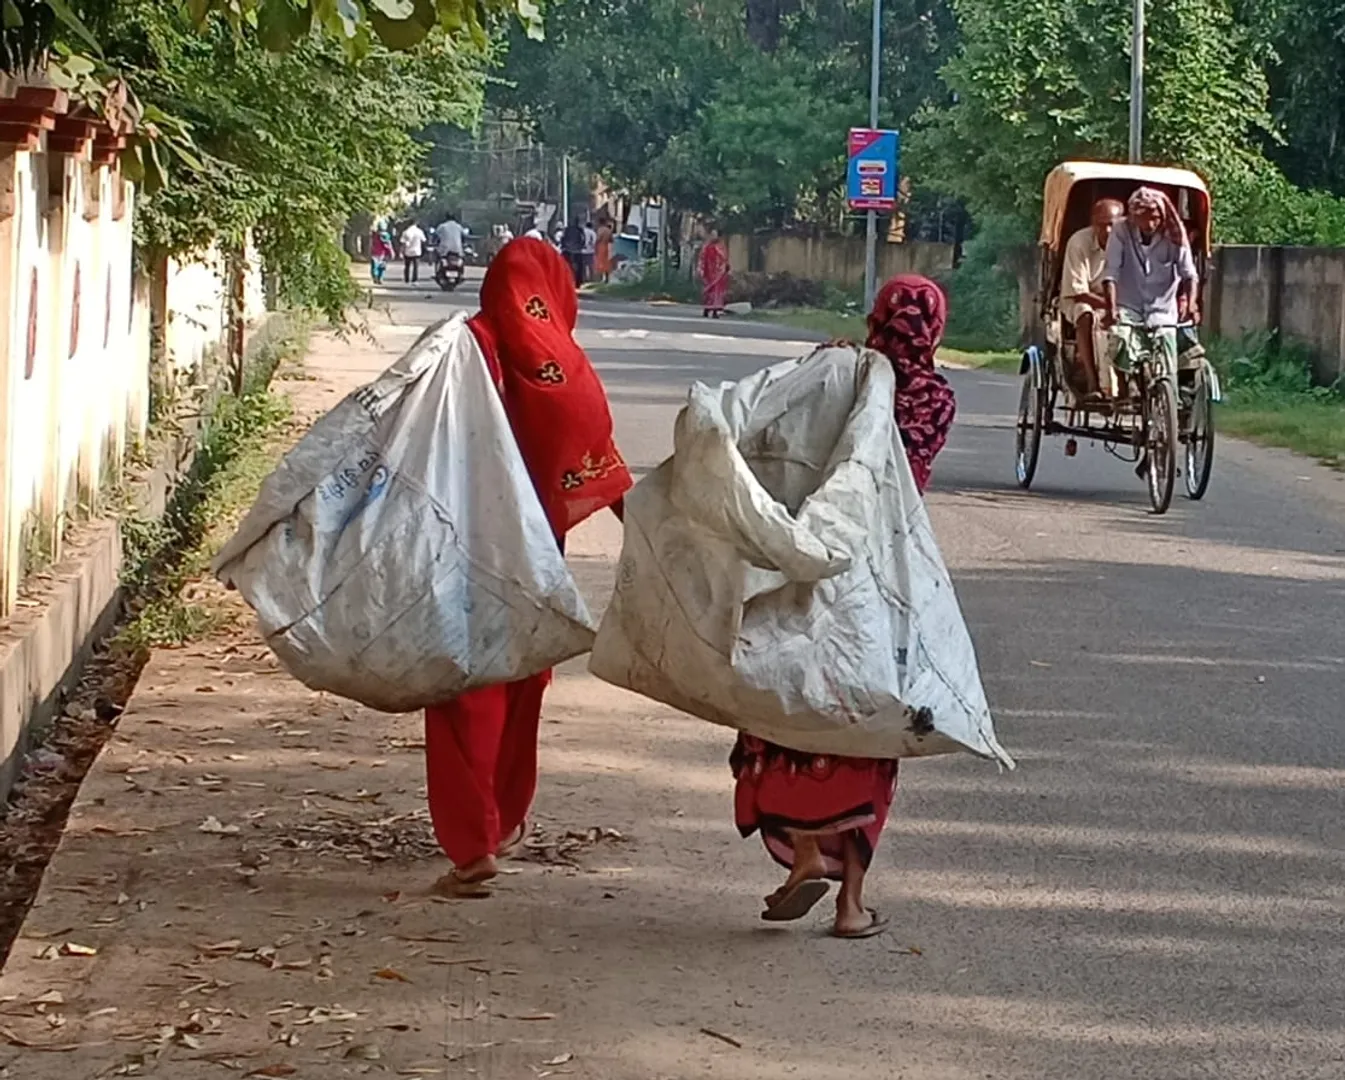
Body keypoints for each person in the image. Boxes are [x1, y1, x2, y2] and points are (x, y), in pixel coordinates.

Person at [731, 274, 956, 939]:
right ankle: (850, 905)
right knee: (868, 725)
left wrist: (829, 362)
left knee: (789, 702)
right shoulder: (933, 398)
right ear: (935, 330)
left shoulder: (841, 374)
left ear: (872, 318)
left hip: (808, 564)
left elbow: (777, 438)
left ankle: (803, 852)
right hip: (883, 577)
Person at [423, 238, 632, 898]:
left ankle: (472, 844)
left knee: (463, 692)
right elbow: (595, 448)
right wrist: (651, 529)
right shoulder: (560, 363)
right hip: (536, 557)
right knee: (520, 685)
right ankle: (506, 820)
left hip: (463, 549)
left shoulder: (460, 349)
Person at [1102, 186, 1200, 379]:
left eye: (1155, 217)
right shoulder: (1121, 230)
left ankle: (1169, 393)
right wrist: (1111, 308)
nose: (1150, 223)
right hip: (1129, 307)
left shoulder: (1174, 234)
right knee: (1119, 340)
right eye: (1144, 218)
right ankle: (1124, 389)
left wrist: (1191, 303)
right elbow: (1111, 273)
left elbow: (1189, 273)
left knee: (1169, 355)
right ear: (1134, 217)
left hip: (1162, 310)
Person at [1061, 198, 1124, 398]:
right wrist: (1110, 306)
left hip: (1115, 301)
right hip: (1081, 299)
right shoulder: (1079, 242)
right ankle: (1092, 382)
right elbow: (1078, 291)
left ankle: (1128, 384)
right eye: (1101, 224)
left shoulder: (1128, 243)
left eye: (1111, 225)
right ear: (1093, 223)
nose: (1106, 231)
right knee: (1085, 313)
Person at [698, 229, 730, 318]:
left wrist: (725, 267)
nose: (713, 236)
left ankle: (715, 311)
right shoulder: (707, 247)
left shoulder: (721, 247)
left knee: (717, 293)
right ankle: (706, 310)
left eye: (714, 235)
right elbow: (702, 258)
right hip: (708, 273)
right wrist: (701, 270)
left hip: (719, 274)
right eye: (712, 234)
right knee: (709, 292)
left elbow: (724, 258)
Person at [561, 218, 587, 286]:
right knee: (580, 266)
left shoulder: (567, 229)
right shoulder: (580, 229)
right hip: (577, 250)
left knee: (565, 265)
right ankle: (578, 281)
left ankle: (565, 280)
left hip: (568, 249)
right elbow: (583, 239)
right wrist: (582, 245)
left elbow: (563, 238)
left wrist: (563, 245)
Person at [594, 217, 614, 283]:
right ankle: (607, 278)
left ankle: (601, 278)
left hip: (601, 246)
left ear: (600, 223)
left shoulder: (600, 230)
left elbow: (598, 239)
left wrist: (595, 246)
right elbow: (611, 239)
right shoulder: (608, 230)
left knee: (600, 262)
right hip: (607, 246)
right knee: (606, 262)